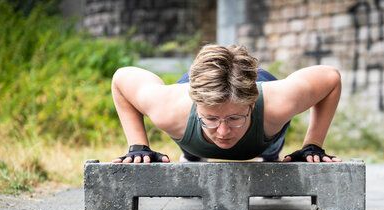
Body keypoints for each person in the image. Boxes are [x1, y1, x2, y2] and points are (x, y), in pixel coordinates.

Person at [111, 44, 342, 164]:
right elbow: (121, 78)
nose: (223, 132)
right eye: (211, 119)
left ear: (251, 105)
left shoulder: (278, 102)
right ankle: (193, 155)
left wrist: (313, 145)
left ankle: (270, 154)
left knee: (270, 137)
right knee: (196, 136)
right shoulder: (168, 108)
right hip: (190, 111)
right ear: (196, 106)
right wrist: (138, 146)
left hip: (264, 127)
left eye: (234, 118)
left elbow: (331, 78)